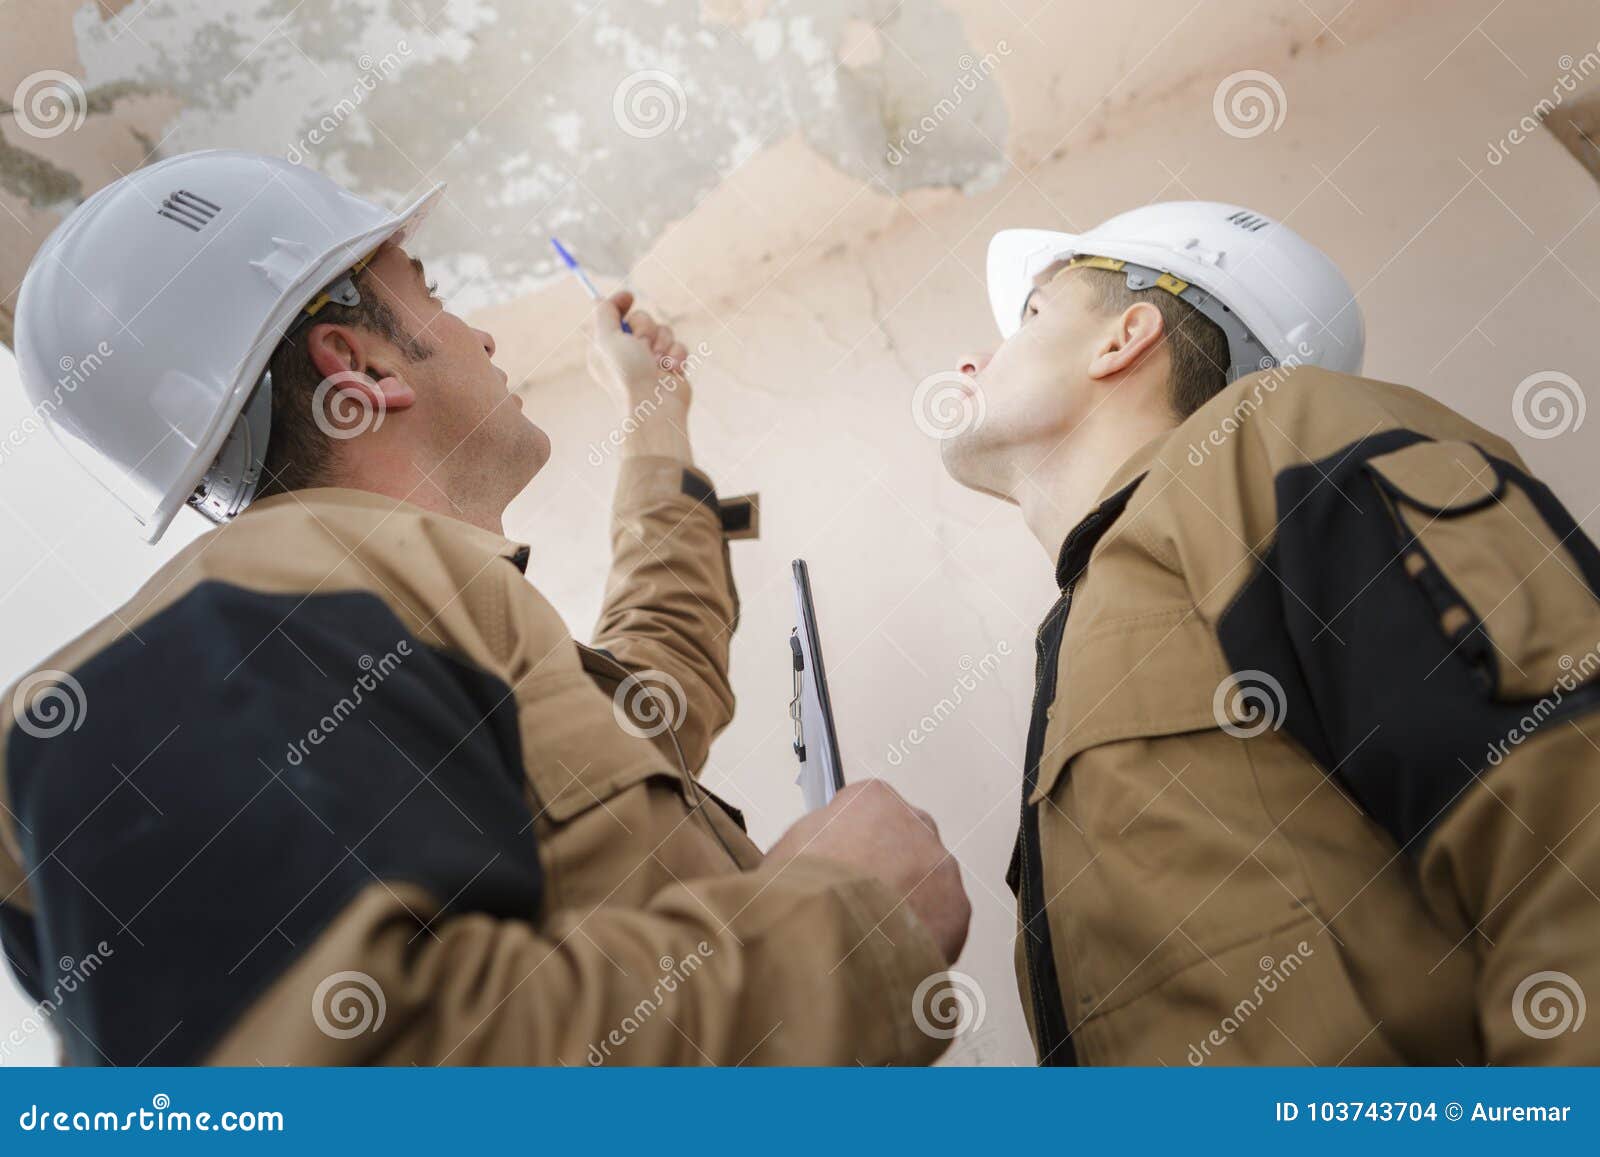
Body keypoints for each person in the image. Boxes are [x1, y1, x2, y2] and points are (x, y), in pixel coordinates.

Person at [0, 149, 969, 1065]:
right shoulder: (223, 623)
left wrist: (654, 413)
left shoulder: (379, 606)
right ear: (360, 366)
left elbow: (656, 687)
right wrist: (847, 922)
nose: (485, 334)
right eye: (430, 287)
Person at [940, 200, 1600, 1065]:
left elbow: (1567, 811)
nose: (969, 360)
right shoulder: (1082, 628)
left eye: (1031, 314)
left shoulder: (1273, 439)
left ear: (1124, 338)